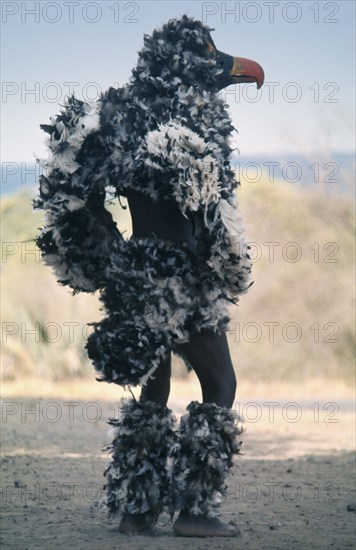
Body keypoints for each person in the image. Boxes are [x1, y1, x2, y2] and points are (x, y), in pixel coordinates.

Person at [35, 16, 264, 537]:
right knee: (220, 382)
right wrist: (219, 265)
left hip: (136, 276)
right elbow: (207, 218)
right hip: (182, 278)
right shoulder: (194, 126)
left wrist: (106, 255)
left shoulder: (119, 121)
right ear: (185, 68)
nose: (227, 65)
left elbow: (67, 187)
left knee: (154, 390)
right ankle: (196, 512)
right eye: (210, 56)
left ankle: (136, 511)